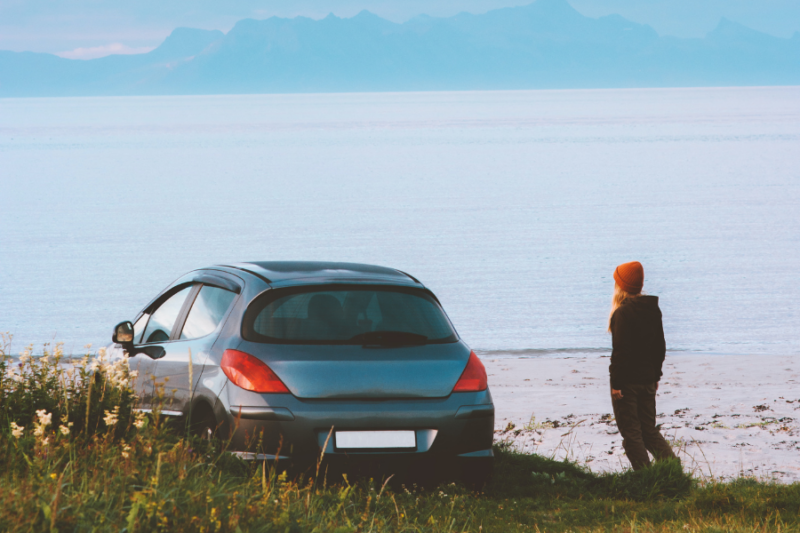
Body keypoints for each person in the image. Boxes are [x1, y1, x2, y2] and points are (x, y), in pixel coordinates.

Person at [608, 261, 678, 470]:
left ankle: (645, 478)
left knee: (632, 434)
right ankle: (672, 469)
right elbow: (660, 347)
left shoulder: (621, 313)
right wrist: (655, 376)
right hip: (647, 380)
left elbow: (620, 352)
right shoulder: (652, 309)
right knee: (648, 430)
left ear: (621, 286)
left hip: (627, 385)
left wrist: (616, 384)